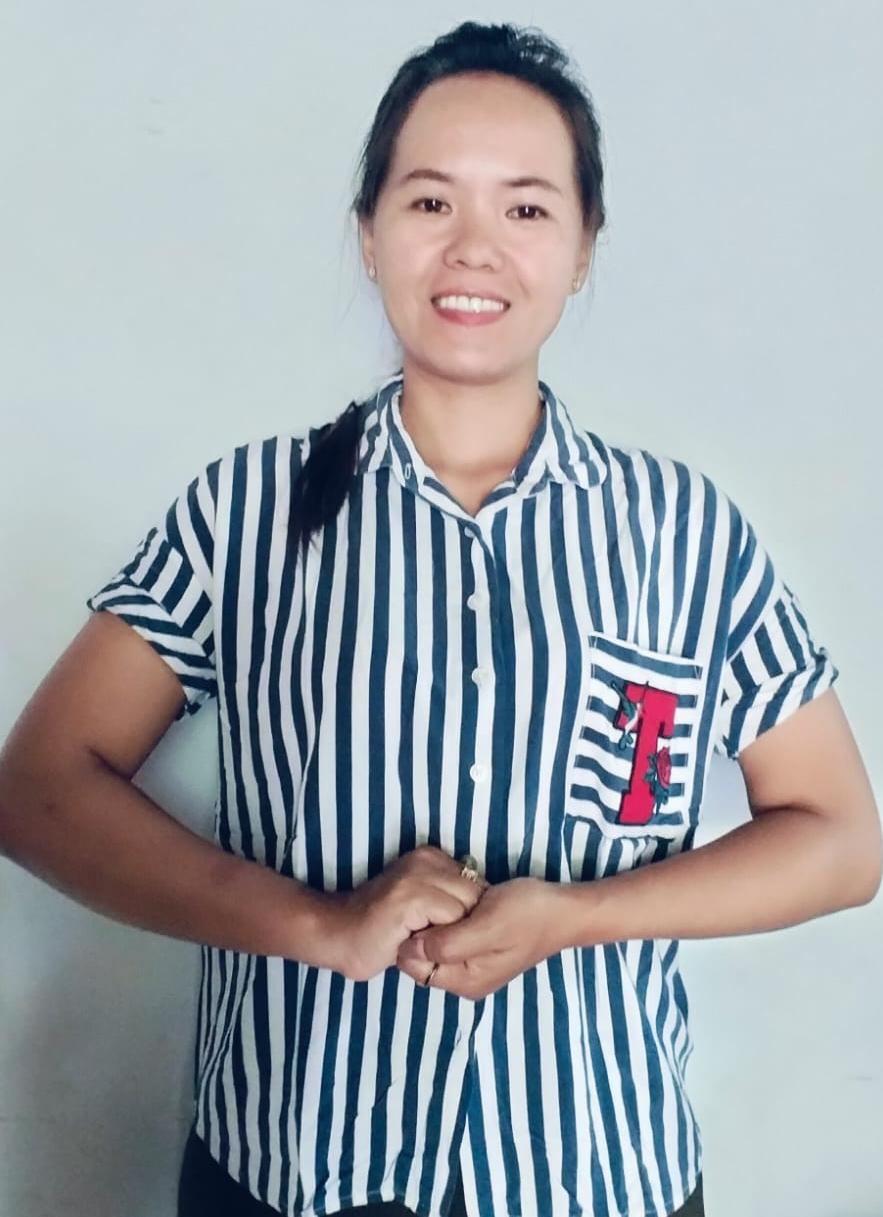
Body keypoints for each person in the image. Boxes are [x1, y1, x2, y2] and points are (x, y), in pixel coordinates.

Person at [0, 18, 879, 1217]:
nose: (474, 247)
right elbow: (38, 788)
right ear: (368, 234)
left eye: (526, 207)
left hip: (596, 1169)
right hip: (295, 1166)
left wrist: (579, 914)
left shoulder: (686, 534)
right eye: (429, 201)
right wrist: (320, 922)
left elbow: (839, 838)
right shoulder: (248, 509)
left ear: (583, 246)